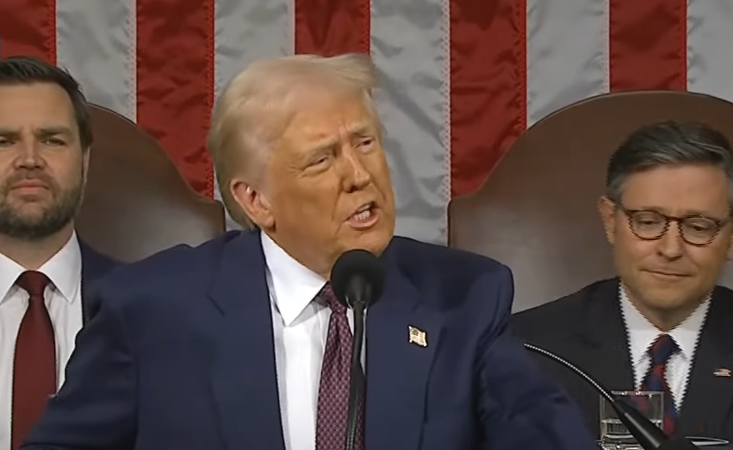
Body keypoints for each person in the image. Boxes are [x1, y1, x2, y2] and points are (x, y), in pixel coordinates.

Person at [22, 53, 598, 450]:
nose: (360, 175)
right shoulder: (153, 308)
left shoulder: (464, 298)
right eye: (322, 159)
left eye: (365, 143)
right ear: (256, 200)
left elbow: (543, 433)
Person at [512, 121, 733, 441]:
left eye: (699, 227)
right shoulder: (526, 348)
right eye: (648, 221)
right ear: (610, 221)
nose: (671, 249)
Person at [0, 56, 120, 450]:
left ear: (84, 159)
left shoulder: (149, 308)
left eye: (52, 139)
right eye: (3, 141)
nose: (29, 160)